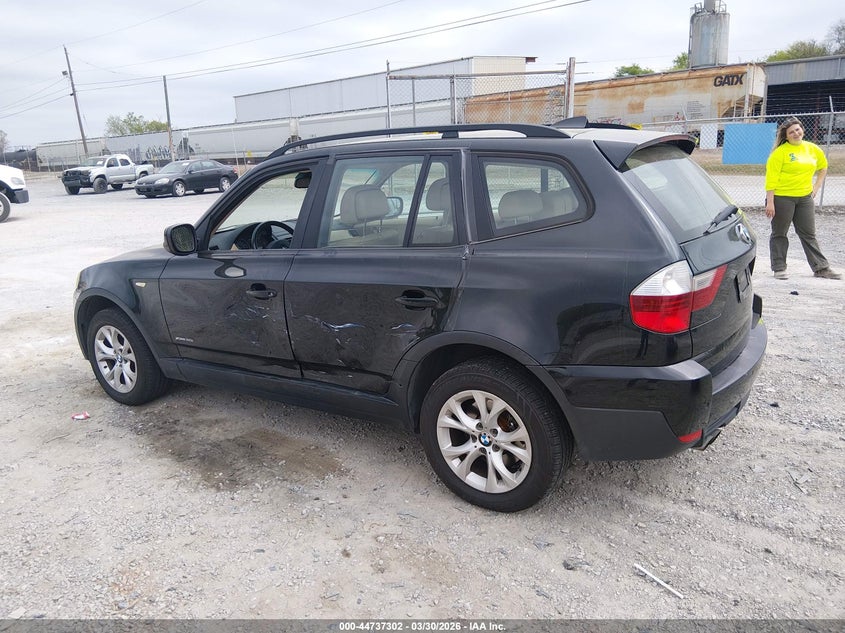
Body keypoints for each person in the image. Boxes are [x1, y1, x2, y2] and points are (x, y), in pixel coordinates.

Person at [764, 116, 840, 280]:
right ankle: (779, 268)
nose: (796, 133)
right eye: (791, 132)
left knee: (808, 233)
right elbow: (771, 179)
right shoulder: (779, 153)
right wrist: (770, 202)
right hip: (782, 197)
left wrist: (816, 187)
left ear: (802, 130)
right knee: (780, 233)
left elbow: (823, 166)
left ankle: (821, 268)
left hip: (804, 198)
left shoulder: (812, 148)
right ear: (786, 136)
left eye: (797, 130)